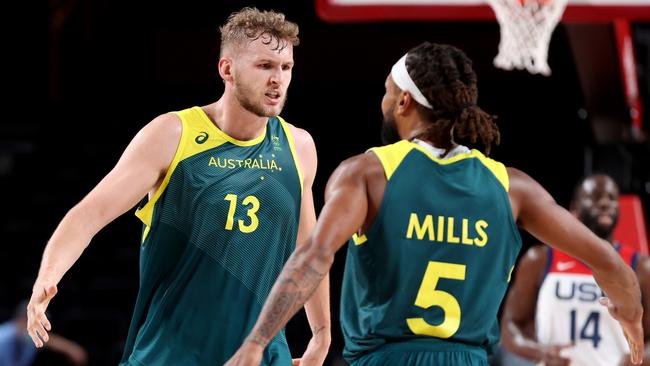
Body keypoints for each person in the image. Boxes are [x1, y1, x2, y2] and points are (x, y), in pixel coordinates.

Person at [225, 42, 644, 366]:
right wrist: (631, 319)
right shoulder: (511, 186)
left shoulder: (368, 173)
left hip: (386, 357)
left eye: (387, 93)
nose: (384, 101)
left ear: (404, 101)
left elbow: (313, 257)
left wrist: (256, 342)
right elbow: (610, 262)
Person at [26, 7, 330, 366]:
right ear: (227, 70)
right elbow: (88, 215)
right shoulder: (173, 135)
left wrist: (321, 334)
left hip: (260, 355)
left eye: (286, 67)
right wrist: (47, 276)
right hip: (171, 353)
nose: (278, 79)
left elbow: (309, 250)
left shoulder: (298, 147)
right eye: (265, 66)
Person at [500, 173, 650, 366]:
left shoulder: (640, 266)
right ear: (574, 207)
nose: (605, 203)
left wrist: (637, 358)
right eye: (595, 197)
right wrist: (540, 352)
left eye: (612, 198)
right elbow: (511, 325)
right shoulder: (540, 259)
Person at [0, 300, 87, 366]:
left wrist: (71, 349)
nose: (39, 329)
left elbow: (50, 341)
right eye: (37, 324)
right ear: (22, 320)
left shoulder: (29, 338)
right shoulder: (4, 336)